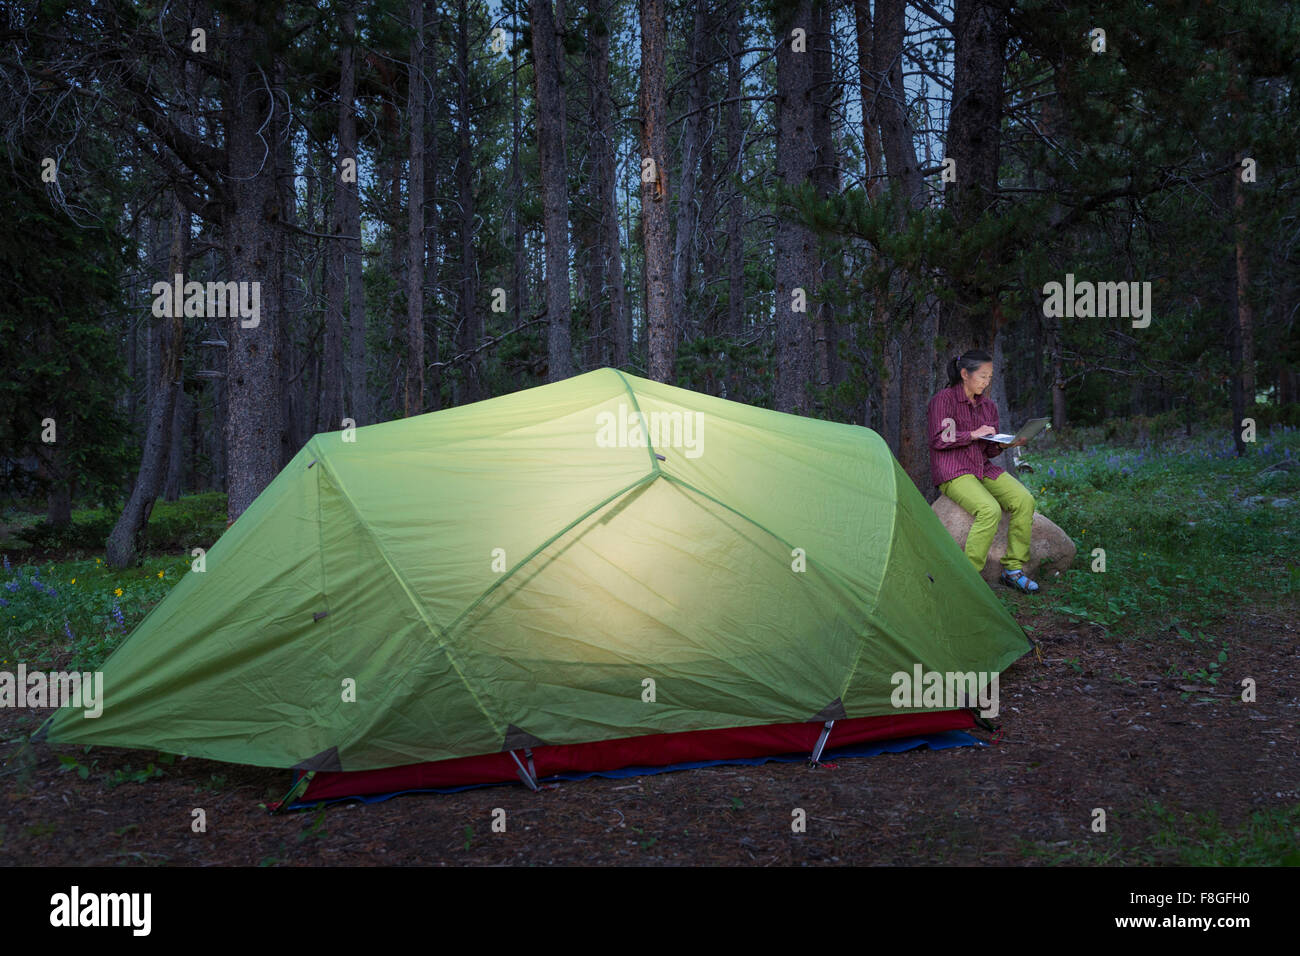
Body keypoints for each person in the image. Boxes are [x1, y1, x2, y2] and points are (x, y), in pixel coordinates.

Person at [927, 349, 1039, 593]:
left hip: (981, 466)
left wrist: (1004, 444)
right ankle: (969, 578)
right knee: (989, 509)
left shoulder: (989, 407)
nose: (987, 382)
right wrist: (973, 434)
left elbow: (988, 452)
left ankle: (1013, 569)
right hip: (953, 469)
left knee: (1024, 500)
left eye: (990, 377)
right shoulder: (943, 400)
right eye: (982, 376)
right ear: (965, 374)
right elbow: (938, 439)